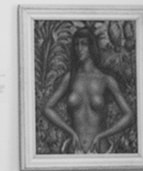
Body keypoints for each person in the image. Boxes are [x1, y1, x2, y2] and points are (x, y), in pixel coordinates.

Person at [42, 26, 135, 154]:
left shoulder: (106, 80)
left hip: (101, 150)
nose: (79, 49)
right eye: (76, 44)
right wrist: (70, 131)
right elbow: (47, 108)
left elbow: (129, 115)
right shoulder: (70, 78)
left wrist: (102, 135)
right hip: (74, 150)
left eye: (84, 44)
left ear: (92, 47)